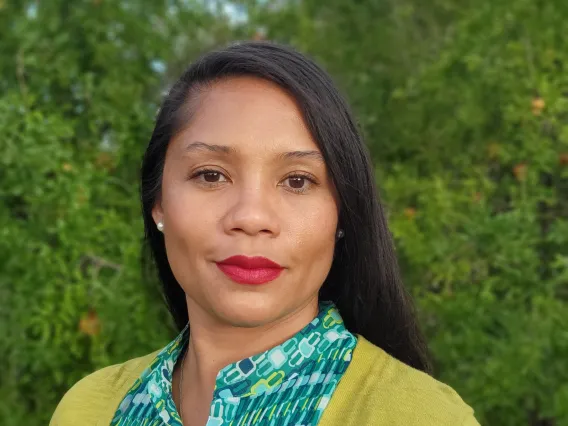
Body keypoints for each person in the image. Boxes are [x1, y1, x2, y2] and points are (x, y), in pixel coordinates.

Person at [50, 41, 480, 426]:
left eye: (297, 181)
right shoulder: (89, 408)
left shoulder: (421, 416)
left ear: (343, 213)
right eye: (211, 175)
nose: (251, 217)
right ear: (158, 201)